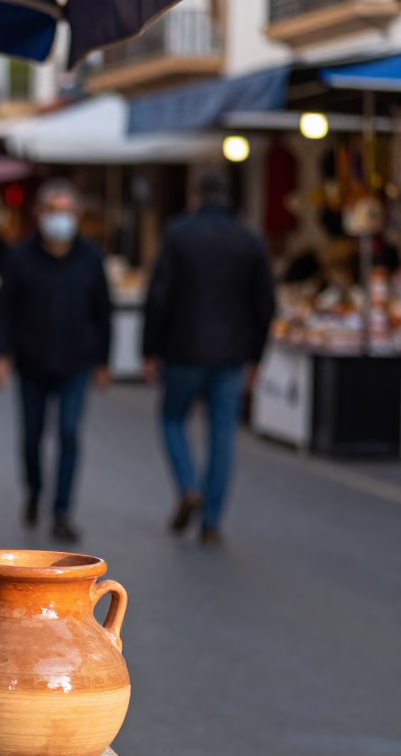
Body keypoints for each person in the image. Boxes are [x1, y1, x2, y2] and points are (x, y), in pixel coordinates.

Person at [143, 169, 275, 546]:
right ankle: (212, 520)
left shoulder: (178, 233)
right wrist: (256, 355)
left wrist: (149, 348)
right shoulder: (249, 238)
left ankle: (188, 485)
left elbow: (158, 296)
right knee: (222, 435)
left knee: (171, 419)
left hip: (183, 349)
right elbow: (265, 303)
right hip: (232, 354)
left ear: (195, 193)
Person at [0, 180, 112, 543]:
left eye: (67, 211)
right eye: (53, 211)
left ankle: (61, 511)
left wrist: (103, 362)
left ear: (77, 216)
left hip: (76, 362)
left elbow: (103, 312)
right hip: (31, 361)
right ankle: (34, 490)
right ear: (39, 215)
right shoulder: (20, 256)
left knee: (70, 435)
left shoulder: (91, 258)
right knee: (32, 436)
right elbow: (3, 311)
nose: (60, 219)